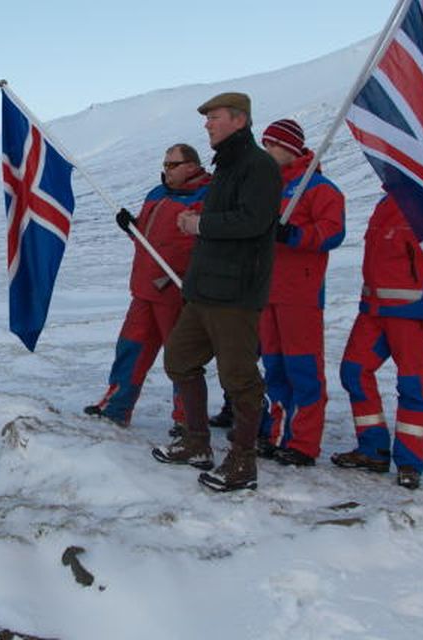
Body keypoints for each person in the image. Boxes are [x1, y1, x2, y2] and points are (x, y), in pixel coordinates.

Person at [151, 92, 282, 493]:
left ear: (238, 121)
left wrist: (200, 224)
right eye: (207, 118)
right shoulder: (226, 165)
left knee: (239, 378)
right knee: (179, 359)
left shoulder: (258, 165)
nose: (207, 124)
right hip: (205, 289)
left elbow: (254, 220)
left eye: (214, 117)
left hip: (236, 292)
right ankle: (196, 443)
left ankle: (243, 462)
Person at [84, 143, 211, 429]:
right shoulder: (157, 194)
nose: (166, 170)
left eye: (173, 165)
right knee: (130, 348)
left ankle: (186, 420)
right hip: (144, 289)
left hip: (175, 290)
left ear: (192, 166)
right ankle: (116, 406)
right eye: (165, 164)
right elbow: (149, 240)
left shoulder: (207, 196)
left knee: (180, 358)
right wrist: (133, 227)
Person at [331, 192, 423, 490]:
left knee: (411, 384)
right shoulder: (385, 202)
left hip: (412, 309)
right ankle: (373, 449)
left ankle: (409, 462)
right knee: (353, 372)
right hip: (374, 309)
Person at [258, 119, 346, 466]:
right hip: (268, 291)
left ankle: (304, 443)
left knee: (303, 369)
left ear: (290, 148)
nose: (266, 153)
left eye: (271, 146)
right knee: (275, 367)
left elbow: (333, 233)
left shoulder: (320, 188)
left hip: (301, 294)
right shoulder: (268, 188)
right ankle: (278, 433)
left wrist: (294, 235)